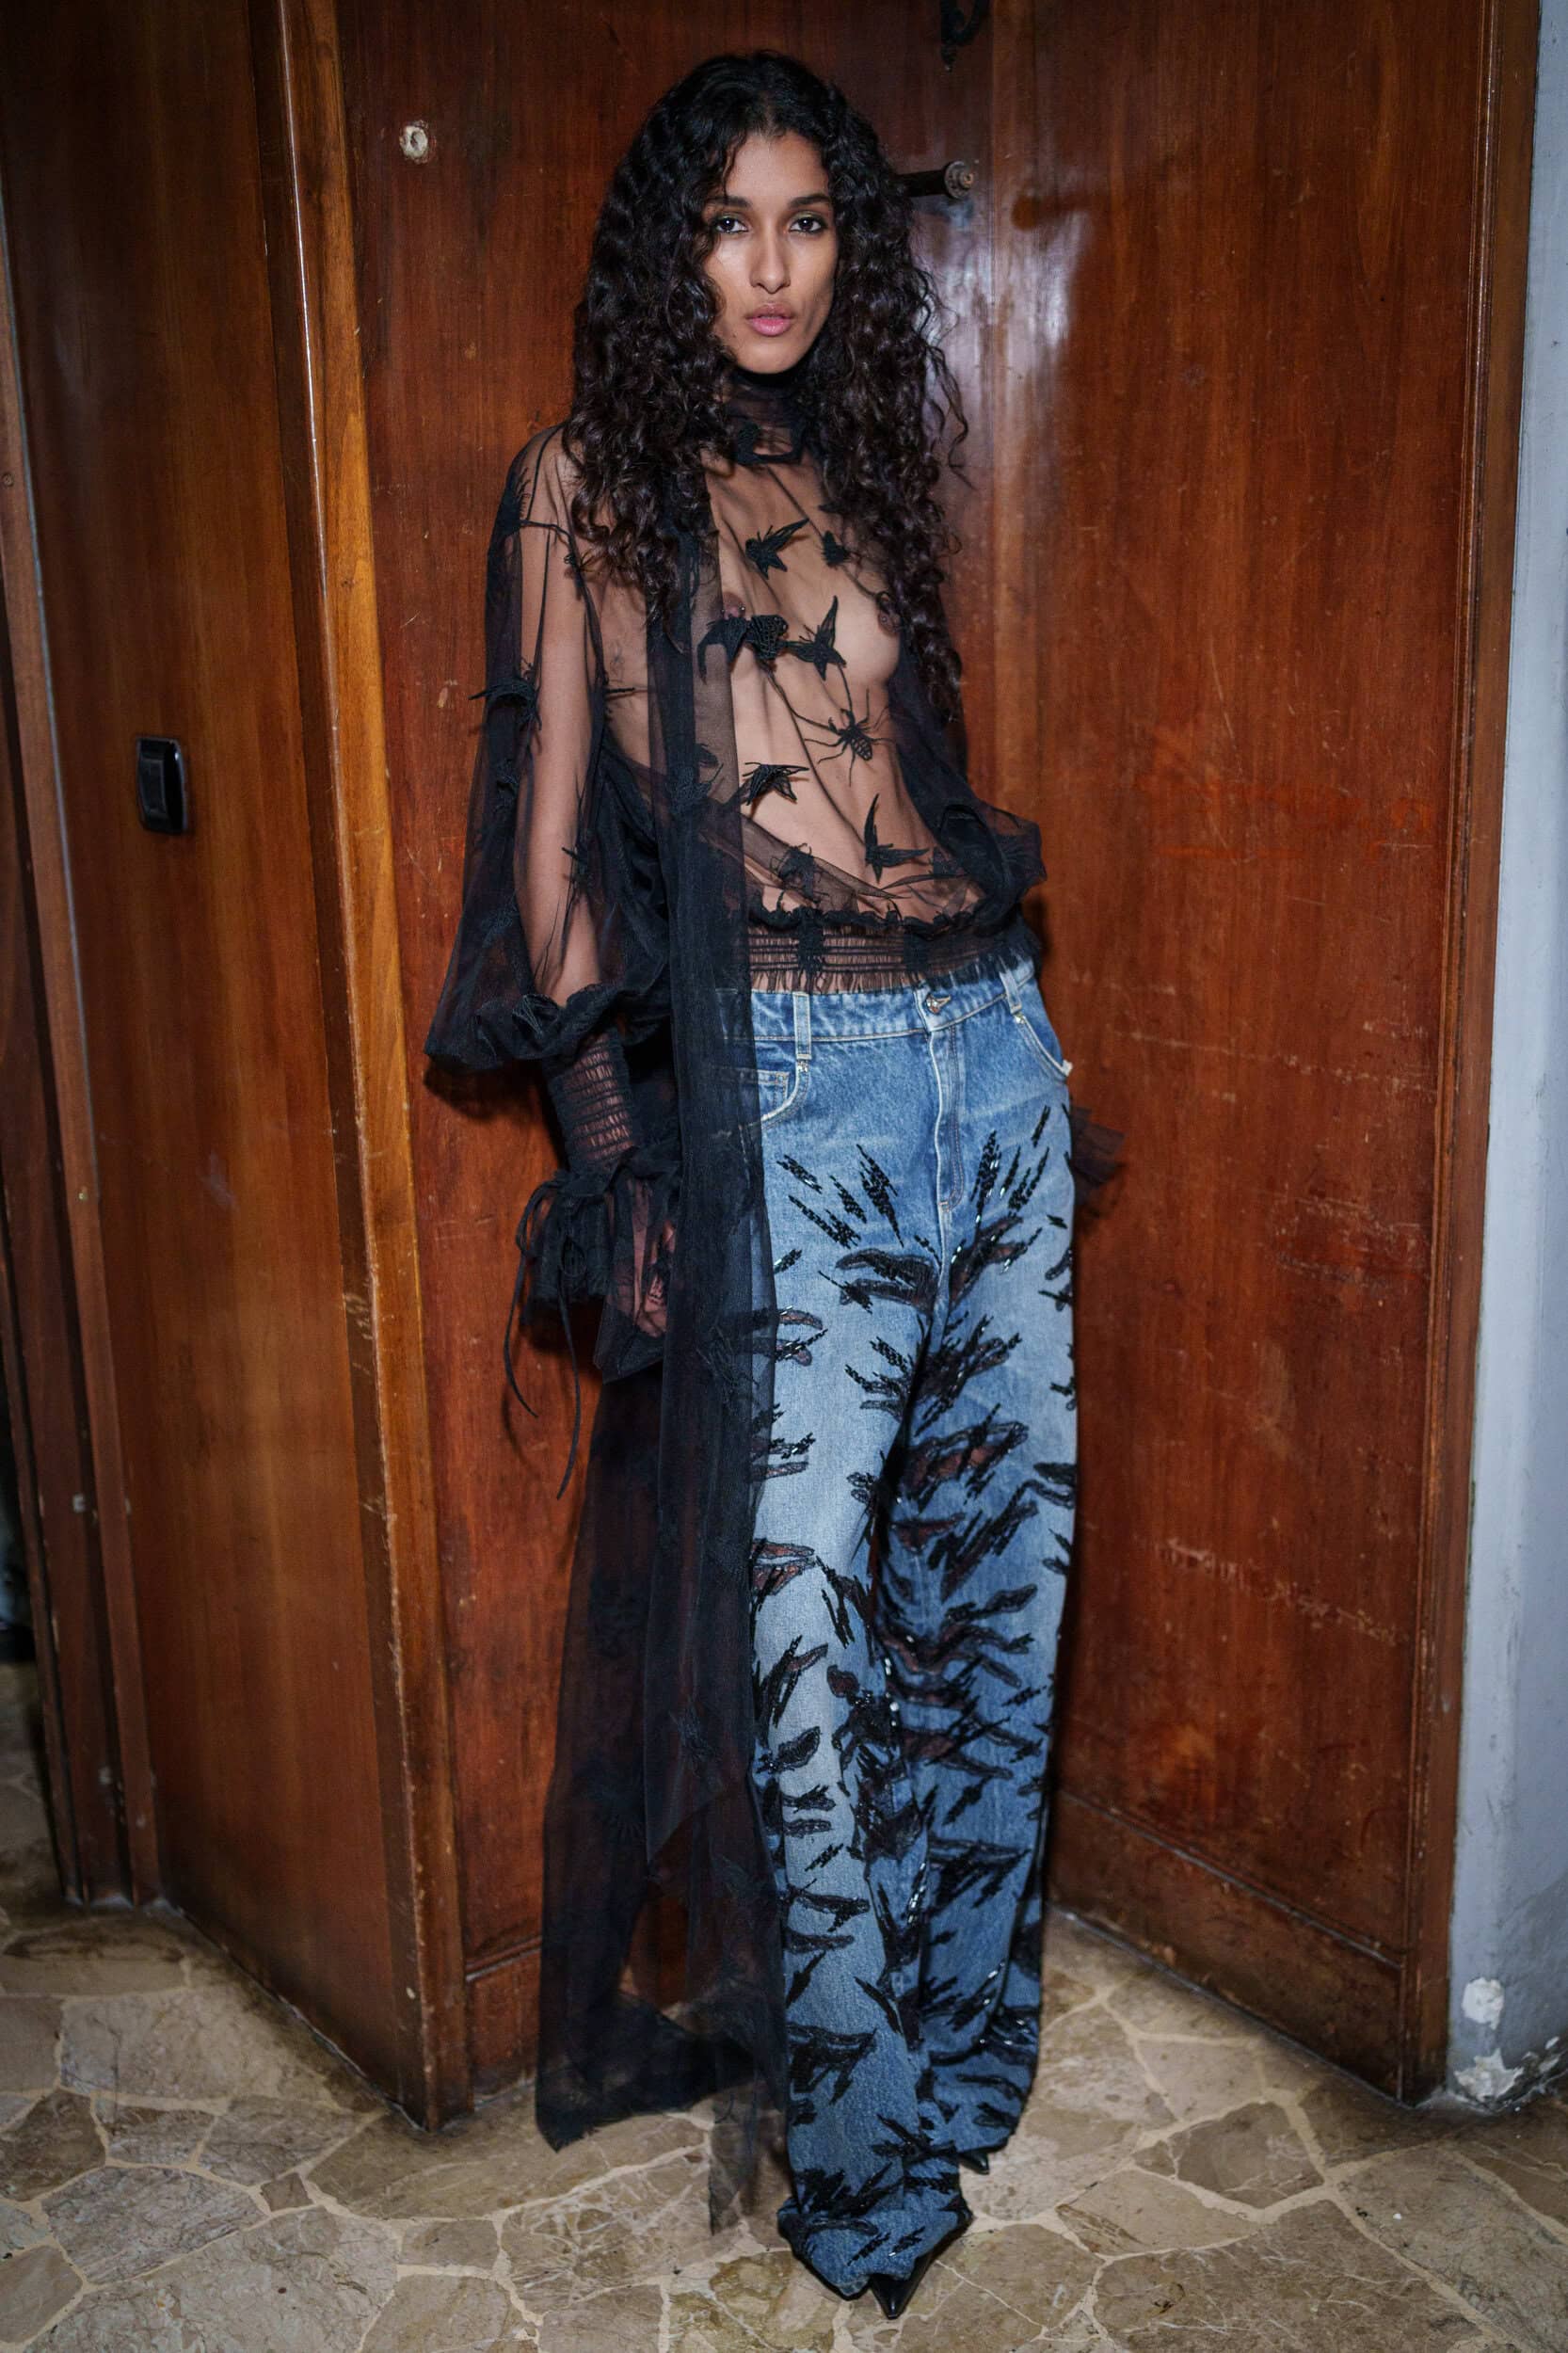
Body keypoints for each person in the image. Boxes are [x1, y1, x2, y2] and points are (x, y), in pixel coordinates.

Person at [424, 48, 1119, 2319]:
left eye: (811, 221)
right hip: (794, 1091)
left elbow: (903, 787)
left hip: (981, 1050)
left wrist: (1010, 1037)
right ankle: (859, 2135)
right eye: (729, 222)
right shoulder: (580, 489)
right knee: (800, 1614)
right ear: (667, 245)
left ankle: (965, 2057)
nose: (771, 267)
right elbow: (548, 878)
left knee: (997, 1588)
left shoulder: (848, 469)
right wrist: (617, 1164)